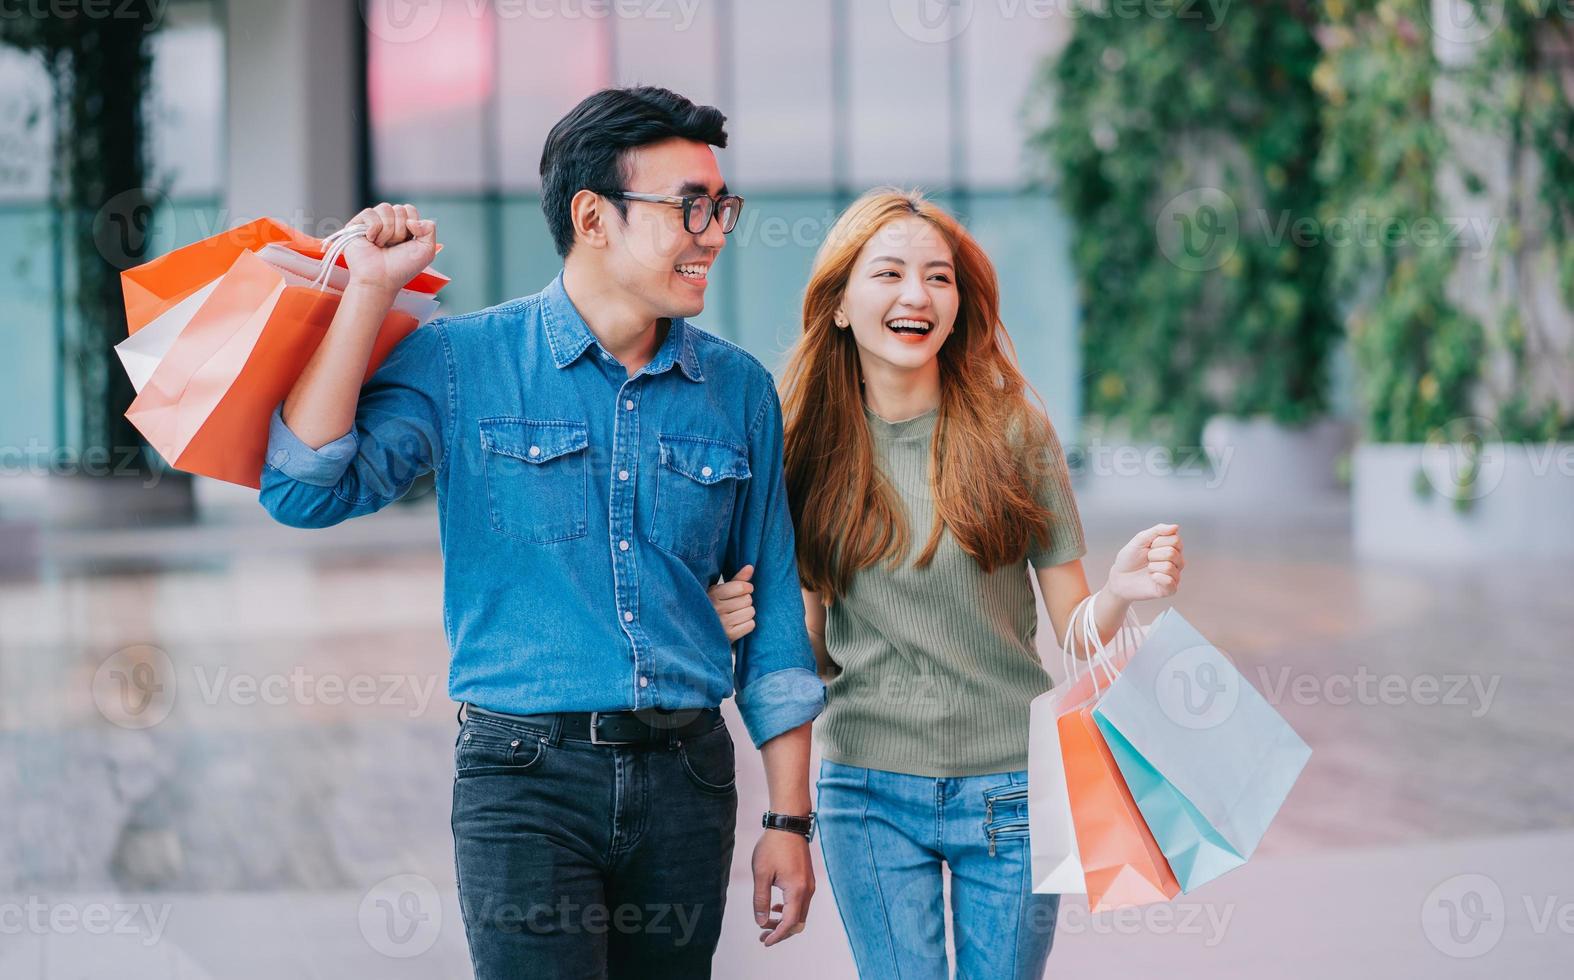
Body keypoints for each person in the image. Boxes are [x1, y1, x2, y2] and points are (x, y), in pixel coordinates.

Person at [258, 85, 824, 980]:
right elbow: (304, 491)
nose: (714, 231)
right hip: (524, 781)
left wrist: (788, 821)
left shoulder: (739, 390)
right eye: (690, 207)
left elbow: (779, 620)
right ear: (593, 216)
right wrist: (369, 288)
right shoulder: (463, 361)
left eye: (722, 206)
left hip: (689, 780)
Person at [706, 188, 1186, 979]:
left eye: (939, 278)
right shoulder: (806, 449)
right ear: (838, 305)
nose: (916, 296)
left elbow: (1076, 637)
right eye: (888, 273)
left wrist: (1122, 592)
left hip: (1011, 788)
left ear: (960, 306)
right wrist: (740, 617)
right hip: (867, 793)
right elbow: (807, 652)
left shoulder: (1012, 433)